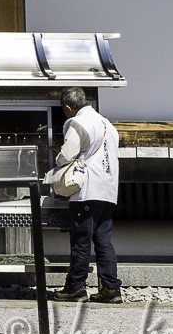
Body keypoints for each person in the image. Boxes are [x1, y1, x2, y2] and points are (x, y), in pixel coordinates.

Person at [50, 87, 122, 304]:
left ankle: (75, 287)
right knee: (103, 241)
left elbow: (67, 155)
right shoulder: (107, 124)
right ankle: (110, 289)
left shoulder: (78, 123)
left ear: (68, 107)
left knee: (81, 241)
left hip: (87, 189)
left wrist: (57, 159)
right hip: (108, 190)